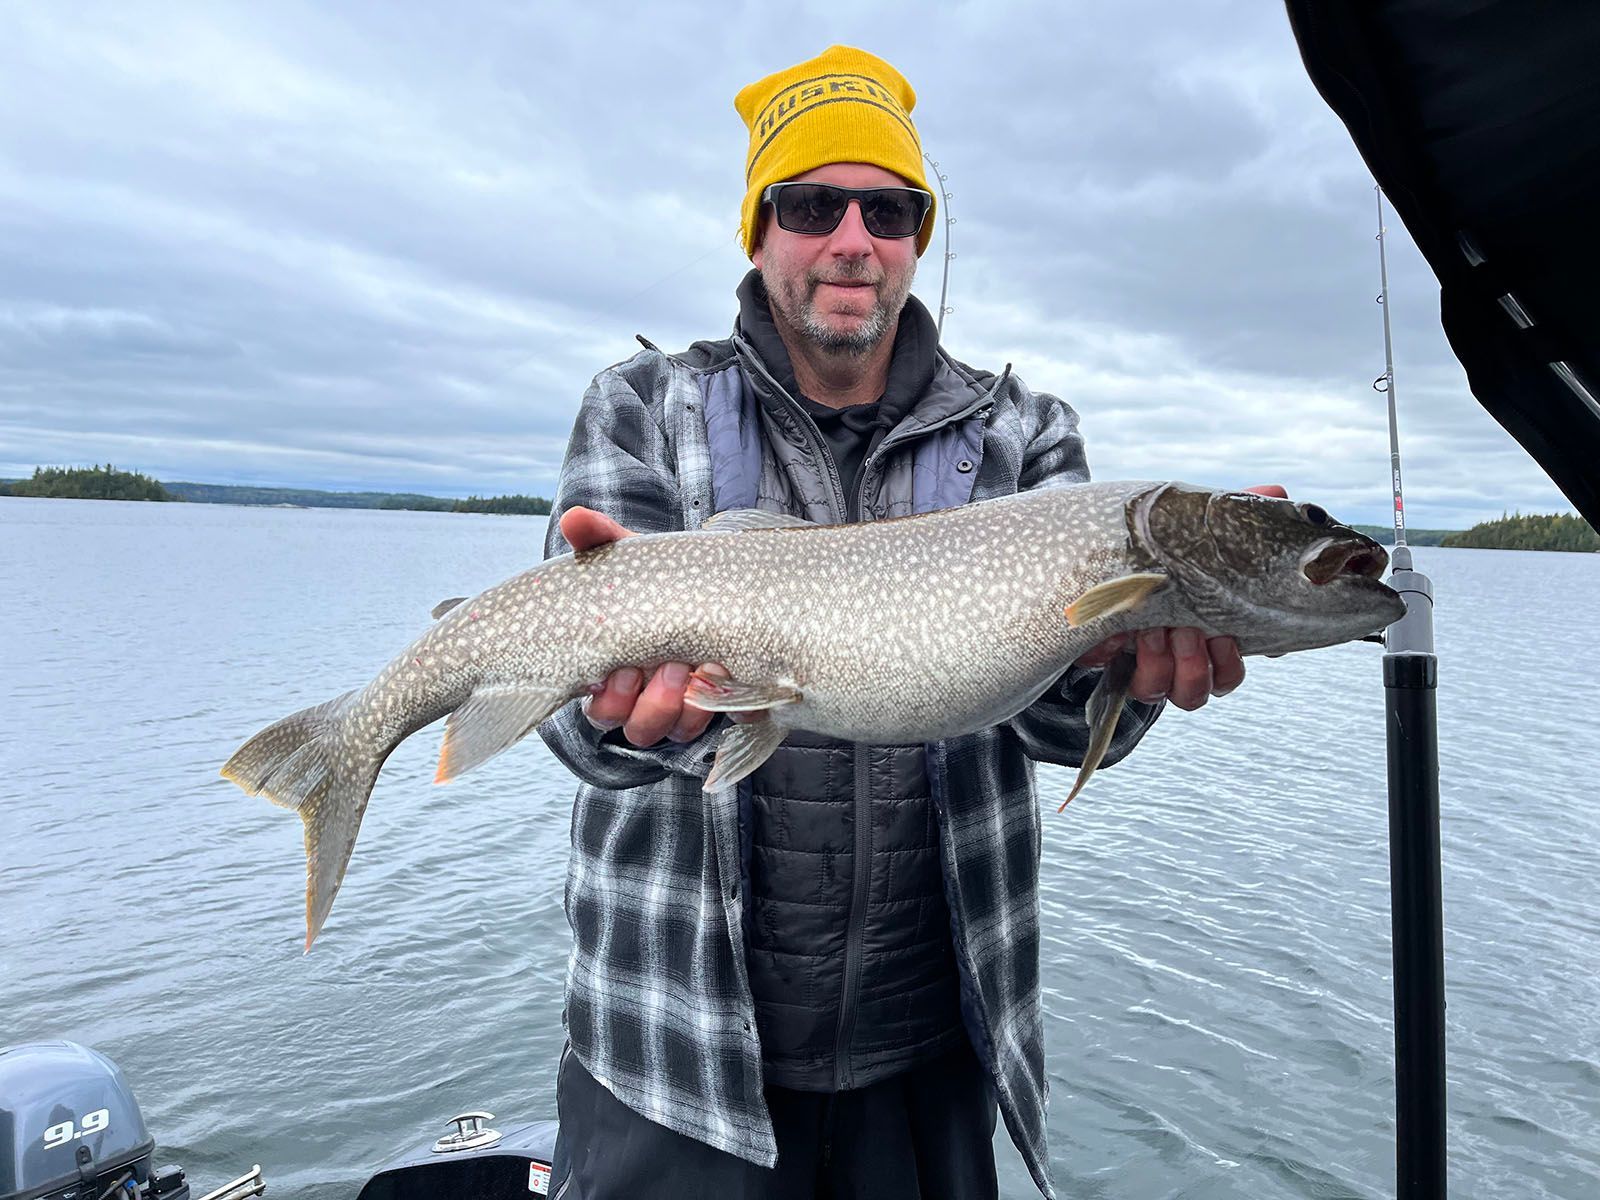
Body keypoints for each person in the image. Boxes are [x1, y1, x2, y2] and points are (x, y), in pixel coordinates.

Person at [537, 45, 1272, 1199]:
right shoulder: (640, 406)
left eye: (888, 209)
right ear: (758, 229)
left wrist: (1136, 679)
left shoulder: (1024, 435)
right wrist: (628, 715)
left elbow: (1066, 726)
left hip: (932, 1048)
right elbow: (578, 741)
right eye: (809, 204)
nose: (851, 239)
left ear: (918, 235)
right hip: (674, 1053)